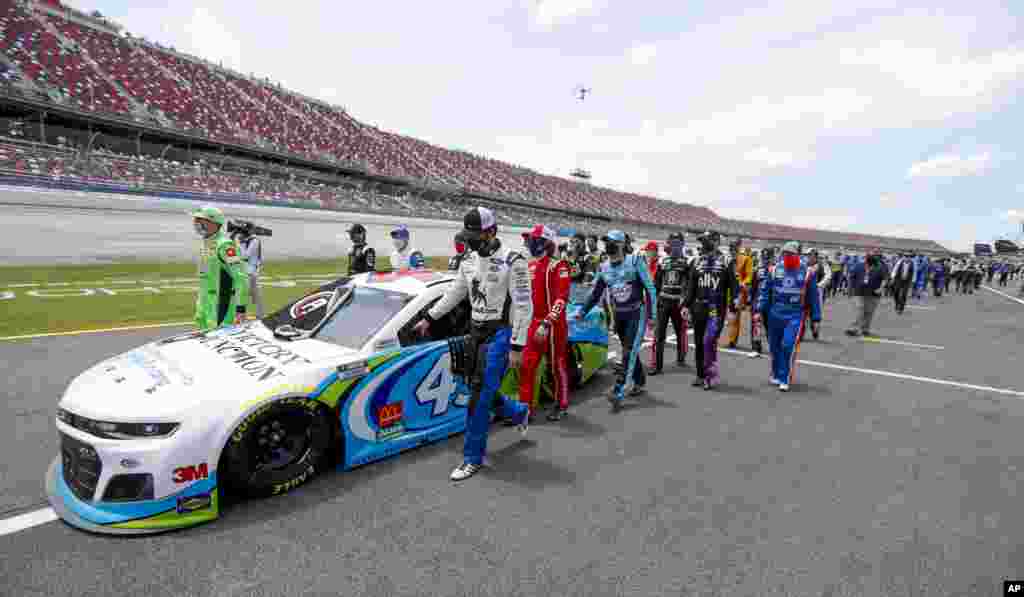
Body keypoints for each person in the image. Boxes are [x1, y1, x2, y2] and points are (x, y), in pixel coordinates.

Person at [411, 207, 531, 482]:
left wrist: (517, 345)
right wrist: (429, 317)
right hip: (474, 333)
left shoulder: (513, 260)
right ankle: (519, 410)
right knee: (477, 387)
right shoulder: (467, 260)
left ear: (491, 231)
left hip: (500, 334)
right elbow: (455, 292)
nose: (470, 241)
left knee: (477, 398)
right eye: (468, 235)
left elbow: (524, 306)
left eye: (475, 235)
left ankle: (472, 458)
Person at [577, 230, 657, 410]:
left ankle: (619, 390)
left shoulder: (635, 261)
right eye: (606, 242)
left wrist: (652, 316)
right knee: (629, 349)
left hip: (636, 313)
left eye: (611, 242)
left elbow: (650, 289)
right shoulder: (604, 267)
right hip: (619, 315)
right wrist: (582, 311)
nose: (608, 245)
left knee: (628, 351)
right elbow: (596, 293)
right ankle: (639, 380)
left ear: (621, 244)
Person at [518, 225, 572, 421]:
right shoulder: (529, 266)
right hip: (533, 323)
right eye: (529, 239)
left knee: (557, 366)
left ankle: (561, 404)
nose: (528, 242)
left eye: (532, 239)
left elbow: (562, 298)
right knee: (526, 366)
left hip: (553, 325)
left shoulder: (559, 266)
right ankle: (524, 410)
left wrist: (548, 322)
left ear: (544, 243)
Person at [757, 241, 821, 392]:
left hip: (795, 315)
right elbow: (765, 291)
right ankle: (776, 372)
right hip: (774, 314)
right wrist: (759, 309)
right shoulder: (774, 269)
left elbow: (814, 297)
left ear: (797, 255)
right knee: (774, 347)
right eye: (784, 253)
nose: (786, 256)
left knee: (787, 345)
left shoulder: (807, 272)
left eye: (790, 253)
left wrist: (816, 318)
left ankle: (785, 377)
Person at [684, 230, 736, 390]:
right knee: (699, 342)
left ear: (715, 242)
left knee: (709, 340)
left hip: (716, 309)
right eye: (702, 242)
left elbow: (733, 286)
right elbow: (691, 286)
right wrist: (686, 305)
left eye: (706, 241)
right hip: (698, 307)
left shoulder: (726, 261)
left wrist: (733, 308)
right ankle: (700, 375)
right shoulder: (695, 261)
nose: (703, 245)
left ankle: (710, 375)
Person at [191, 206, 249, 331]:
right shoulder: (206, 243)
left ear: (215, 223)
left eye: (201, 221)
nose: (197, 224)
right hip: (205, 303)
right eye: (196, 220)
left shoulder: (225, 246)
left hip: (221, 305)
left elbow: (241, 278)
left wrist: (241, 308)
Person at [649, 232, 690, 374]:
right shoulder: (662, 262)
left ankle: (681, 357)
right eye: (672, 243)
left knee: (680, 332)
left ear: (682, 245)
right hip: (663, 302)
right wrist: (655, 301)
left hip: (678, 303)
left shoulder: (687, 262)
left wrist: (685, 303)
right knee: (659, 334)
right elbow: (656, 283)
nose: (675, 246)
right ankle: (657, 366)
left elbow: (690, 285)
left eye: (678, 243)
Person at [846, 249, 888, 337]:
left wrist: (881, 288)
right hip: (859, 293)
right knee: (860, 310)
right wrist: (849, 289)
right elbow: (851, 277)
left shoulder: (880, 267)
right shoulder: (858, 266)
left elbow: (885, 279)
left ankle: (865, 329)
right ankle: (853, 328)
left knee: (869, 313)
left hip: (873, 295)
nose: (871, 266)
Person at [723, 239, 753, 349]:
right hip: (729, 292)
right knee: (731, 317)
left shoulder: (746, 259)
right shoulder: (729, 261)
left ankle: (732, 341)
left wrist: (744, 283)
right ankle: (732, 339)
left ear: (737, 249)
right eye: (730, 249)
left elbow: (749, 275)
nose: (732, 251)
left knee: (735, 317)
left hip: (739, 292)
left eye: (734, 248)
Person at [747, 245, 774, 358]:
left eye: (767, 257)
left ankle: (774, 348)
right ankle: (756, 348)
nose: (765, 260)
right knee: (756, 325)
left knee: (771, 327)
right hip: (757, 302)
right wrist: (750, 299)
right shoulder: (757, 269)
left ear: (772, 257)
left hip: (771, 303)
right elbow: (752, 286)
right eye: (763, 257)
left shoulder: (776, 270)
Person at [233, 225, 264, 318]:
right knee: (241, 295)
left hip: (252, 272)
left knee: (256, 296)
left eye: (241, 232)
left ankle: (261, 316)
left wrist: (238, 243)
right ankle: (241, 316)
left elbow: (245, 255)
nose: (239, 234)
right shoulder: (243, 241)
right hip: (243, 271)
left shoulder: (254, 241)